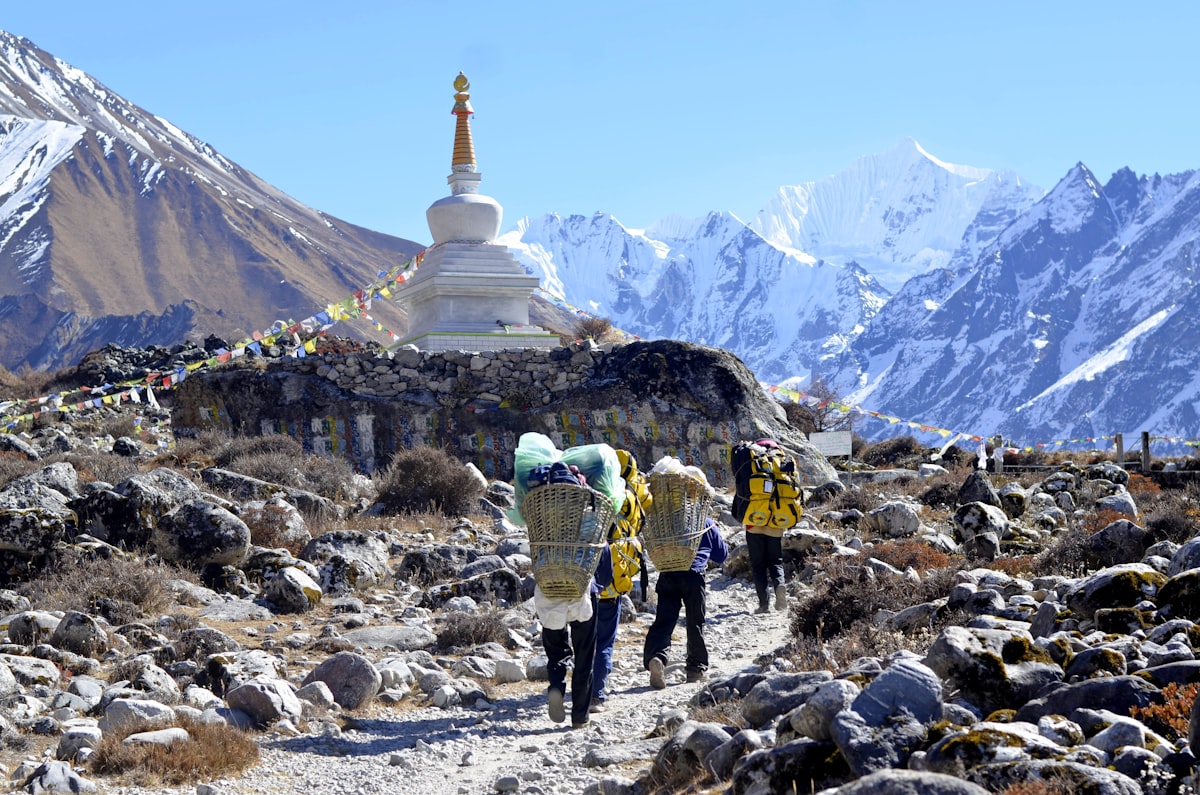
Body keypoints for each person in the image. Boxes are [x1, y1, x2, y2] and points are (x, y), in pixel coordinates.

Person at [590, 449, 650, 713]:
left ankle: (579, 689)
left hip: (583, 581)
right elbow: (640, 523)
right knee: (605, 640)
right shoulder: (628, 496)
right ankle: (597, 695)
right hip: (612, 581)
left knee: (583, 640)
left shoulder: (587, 492)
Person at [642, 516, 729, 688]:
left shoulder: (665, 520)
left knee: (664, 621)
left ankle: (656, 657)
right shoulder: (705, 522)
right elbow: (721, 556)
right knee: (695, 622)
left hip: (667, 574)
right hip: (694, 576)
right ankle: (695, 670)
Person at [540, 544, 613, 729]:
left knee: (556, 650)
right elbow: (606, 575)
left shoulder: (543, 535)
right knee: (584, 656)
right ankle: (580, 717)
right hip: (584, 597)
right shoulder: (595, 533)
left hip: (549, 593)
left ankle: (556, 685)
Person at [743, 439, 789, 614]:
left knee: (758, 565)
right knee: (775, 561)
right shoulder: (781, 463)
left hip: (754, 522)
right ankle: (780, 590)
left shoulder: (754, 462)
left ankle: (763, 604)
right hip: (776, 522)